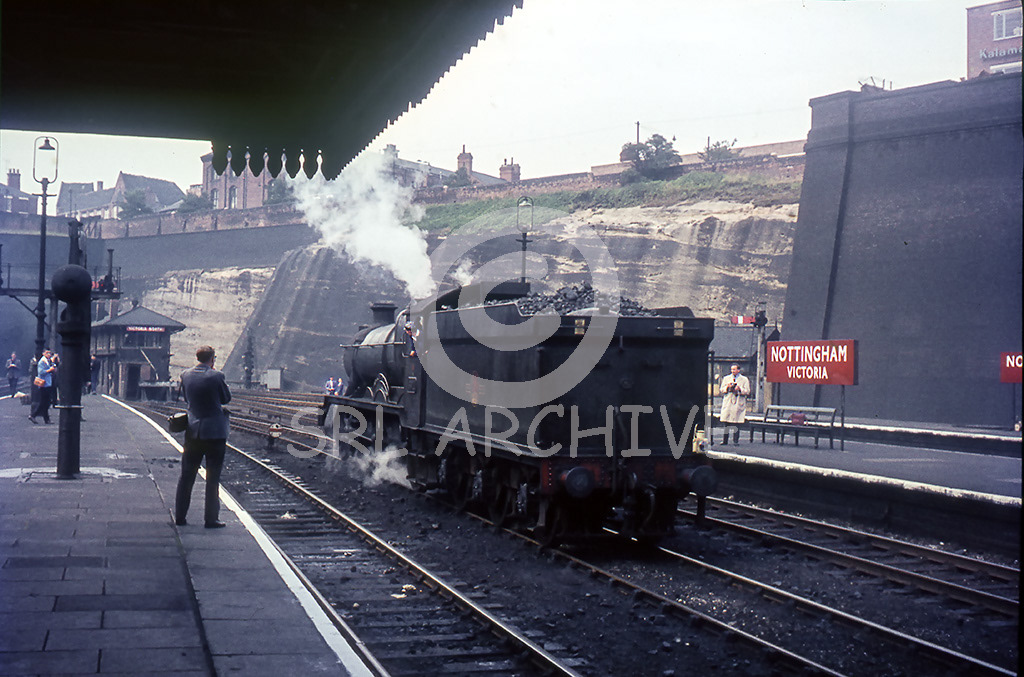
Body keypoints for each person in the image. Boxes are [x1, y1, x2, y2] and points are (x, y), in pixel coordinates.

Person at [174, 346, 231, 529]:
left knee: (186, 475)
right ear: (212, 359)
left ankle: (180, 517)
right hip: (215, 433)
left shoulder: (185, 374)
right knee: (212, 477)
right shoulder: (217, 376)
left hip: (193, 431)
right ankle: (211, 519)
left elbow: (186, 399)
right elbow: (225, 398)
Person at [719, 364, 750, 445]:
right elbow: (721, 389)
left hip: (738, 403)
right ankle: (725, 440)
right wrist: (728, 388)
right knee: (726, 422)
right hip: (728, 402)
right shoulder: (726, 378)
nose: (733, 371)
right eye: (732, 369)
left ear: (738, 370)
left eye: (734, 369)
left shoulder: (744, 379)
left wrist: (740, 389)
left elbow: (747, 391)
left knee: (736, 423)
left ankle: (735, 441)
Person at [29, 350, 57, 424]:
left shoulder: (48, 361)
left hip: (48, 383)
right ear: (43, 353)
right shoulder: (42, 362)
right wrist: (49, 370)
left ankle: (46, 419)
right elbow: (41, 372)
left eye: (50, 353)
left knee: (46, 402)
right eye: (47, 353)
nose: (49, 354)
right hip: (44, 384)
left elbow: (53, 366)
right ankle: (33, 415)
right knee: (44, 402)